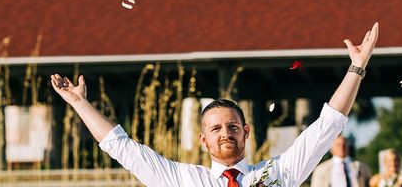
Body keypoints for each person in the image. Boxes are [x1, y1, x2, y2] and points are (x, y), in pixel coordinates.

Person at [51, 22, 379, 187]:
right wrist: (80, 103)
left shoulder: (277, 173)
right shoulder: (183, 180)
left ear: (247, 132)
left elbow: (327, 126)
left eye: (233, 126)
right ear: (203, 139)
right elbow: (120, 146)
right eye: (216, 128)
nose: (226, 133)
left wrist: (356, 69)